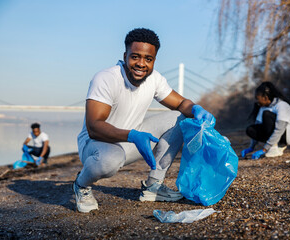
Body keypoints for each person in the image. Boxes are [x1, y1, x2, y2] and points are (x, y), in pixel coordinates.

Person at [74, 28, 215, 213]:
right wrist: (132, 135)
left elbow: (180, 102)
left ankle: (153, 187)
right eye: (135, 57)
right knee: (110, 160)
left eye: (148, 59)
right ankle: (81, 185)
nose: (141, 64)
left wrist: (196, 109)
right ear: (125, 55)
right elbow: (94, 127)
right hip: (96, 145)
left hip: (131, 142)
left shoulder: (154, 79)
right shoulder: (107, 78)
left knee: (179, 118)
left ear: (154, 60)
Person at [241, 82, 290, 160]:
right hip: (278, 134)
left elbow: (279, 129)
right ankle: (273, 145)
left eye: (258, 99)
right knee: (251, 129)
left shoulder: (282, 106)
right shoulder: (263, 108)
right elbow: (258, 126)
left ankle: (274, 147)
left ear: (265, 97)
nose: (257, 102)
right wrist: (251, 147)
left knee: (267, 115)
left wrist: (265, 149)